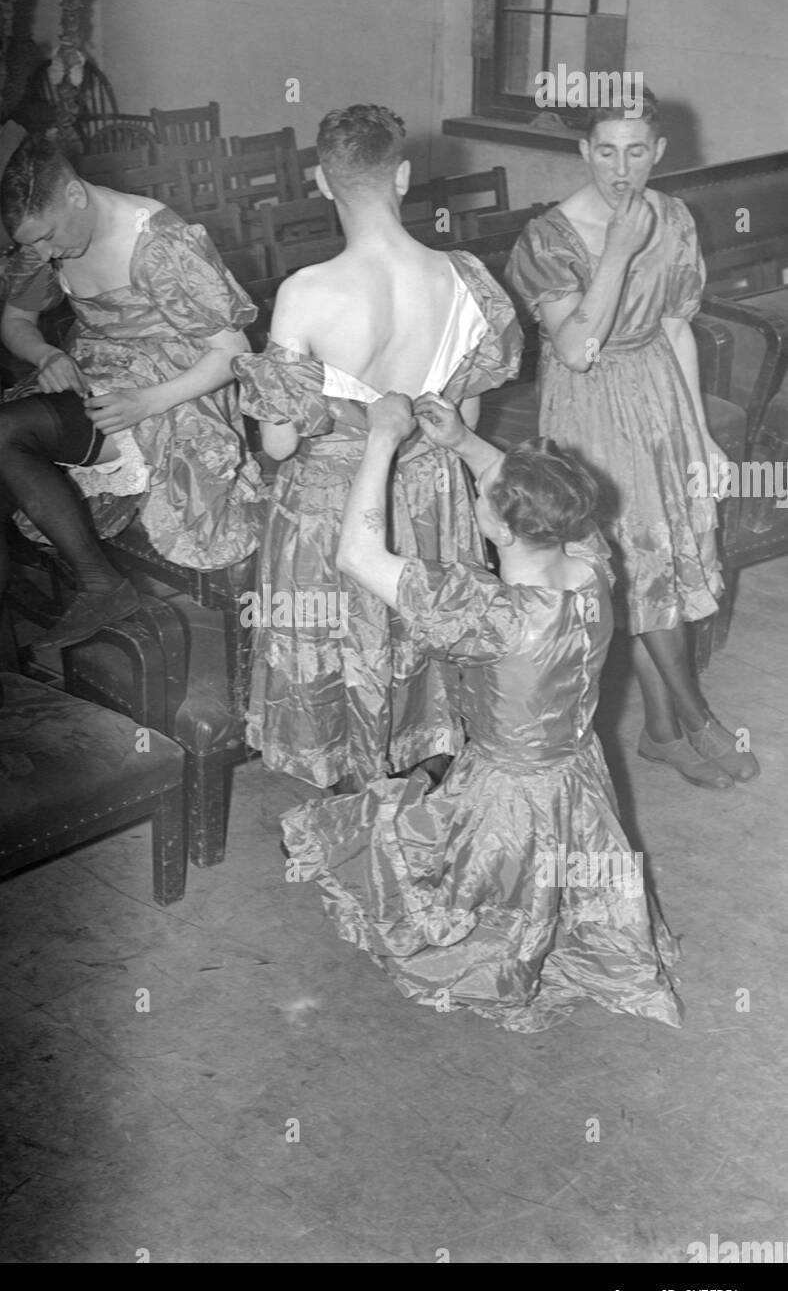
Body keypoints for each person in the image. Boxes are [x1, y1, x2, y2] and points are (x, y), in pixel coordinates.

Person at [282, 393, 683, 1033]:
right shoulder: (591, 565)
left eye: (485, 496)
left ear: (497, 528)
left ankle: (499, 957)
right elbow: (546, 506)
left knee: (457, 883)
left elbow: (357, 559)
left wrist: (383, 438)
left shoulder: (492, 611)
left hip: (506, 791)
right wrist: (465, 443)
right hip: (576, 775)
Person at [0, 121, 263, 722]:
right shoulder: (44, 240)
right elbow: (16, 323)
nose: (45, 254)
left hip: (173, 397)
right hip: (98, 377)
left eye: (47, 238)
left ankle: (100, 584)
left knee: (3, 431)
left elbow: (235, 352)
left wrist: (148, 401)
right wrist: (49, 354)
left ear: (74, 192)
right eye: (34, 246)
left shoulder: (158, 241)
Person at [234, 105, 522, 791]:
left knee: (342, 647)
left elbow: (277, 443)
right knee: (424, 638)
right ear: (403, 175)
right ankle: (427, 790)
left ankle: (358, 802)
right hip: (432, 494)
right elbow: (463, 415)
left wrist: (343, 413)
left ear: (321, 182)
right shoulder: (463, 277)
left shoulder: (305, 293)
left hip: (337, 504)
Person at [506, 92, 757, 789]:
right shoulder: (548, 240)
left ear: (660, 152)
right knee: (637, 569)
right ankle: (696, 715)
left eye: (637, 151)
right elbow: (578, 348)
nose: (622, 168)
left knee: (663, 574)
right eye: (607, 151)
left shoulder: (674, 218)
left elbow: (676, 328)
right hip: (588, 412)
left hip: (657, 402)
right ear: (583, 152)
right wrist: (615, 251)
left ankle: (661, 732)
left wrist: (700, 435)